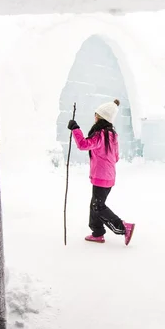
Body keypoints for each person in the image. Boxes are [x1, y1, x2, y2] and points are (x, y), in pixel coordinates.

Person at [67, 99, 135, 245]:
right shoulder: (112, 135)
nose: (94, 117)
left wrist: (75, 129)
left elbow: (83, 144)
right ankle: (97, 232)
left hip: (101, 177)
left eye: (96, 115)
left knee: (98, 206)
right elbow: (116, 157)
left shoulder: (100, 135)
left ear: (101, 118)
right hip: (108, 177)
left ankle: (124, 227)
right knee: (95, 204)